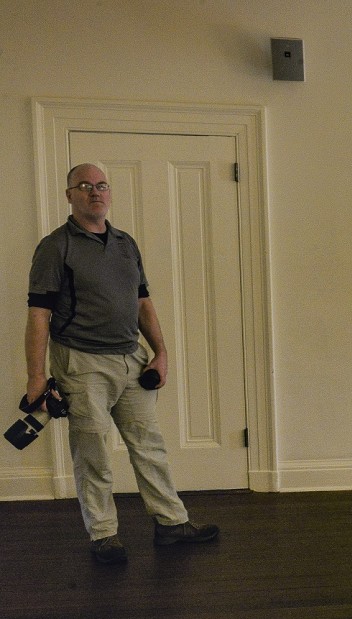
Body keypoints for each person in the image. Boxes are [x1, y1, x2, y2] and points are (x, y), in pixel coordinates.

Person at [24, 163, 219, 564]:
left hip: (131, 359)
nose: (94, 192)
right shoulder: (55, 246)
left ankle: (171, 523)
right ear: (69, 196)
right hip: (81, 363)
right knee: (92, 451)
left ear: (109, 194)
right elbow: (39, 314)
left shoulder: (126, 244)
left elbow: (142, 302)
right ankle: (104, 535)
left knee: (150, 446)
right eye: (84, 186)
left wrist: (161, 353)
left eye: (101, 186)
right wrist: (36, 377)